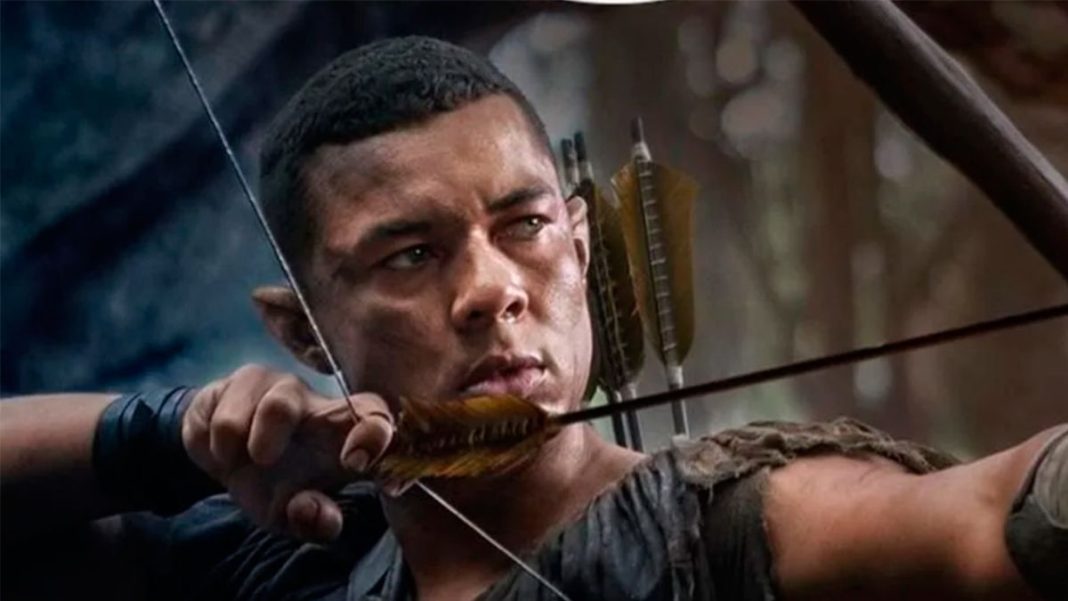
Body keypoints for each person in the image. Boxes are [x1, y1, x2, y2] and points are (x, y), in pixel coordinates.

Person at [1, 36, 1065, 601]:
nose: (492, 288)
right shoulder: (294, 556)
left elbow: (988, 520)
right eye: (411, 254)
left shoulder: (721, 525)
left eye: (525, 227)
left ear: (583, 245)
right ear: (302, 329)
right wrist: (168, 439)